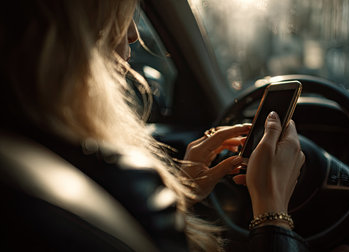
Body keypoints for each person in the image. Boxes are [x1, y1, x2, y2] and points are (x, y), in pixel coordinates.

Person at [0, 0, 306, 251]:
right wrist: (272, 212)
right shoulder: (127, 186)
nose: (132, 33)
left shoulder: (27, 150)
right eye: (119, 14)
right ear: (74, 33)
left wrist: (182, 194)